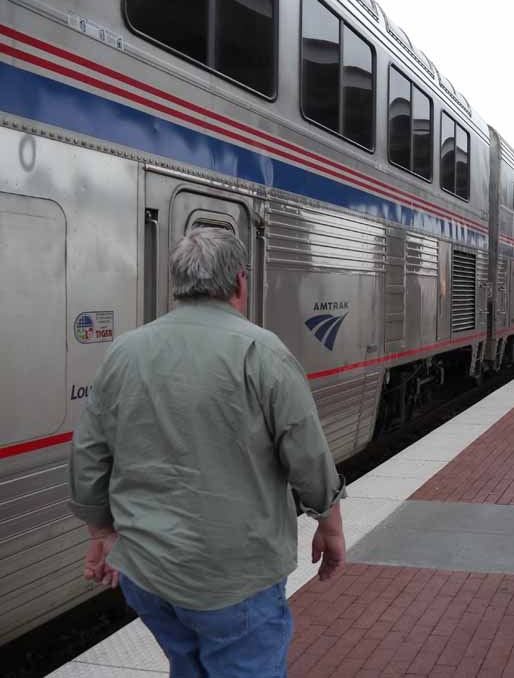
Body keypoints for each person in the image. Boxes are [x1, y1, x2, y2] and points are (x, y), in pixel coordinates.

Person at [68, 228, 348, 678]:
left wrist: (100, 532)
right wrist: (329, 526)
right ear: (240, 283)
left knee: (187, 665)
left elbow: (88, 453)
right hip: (235, 579)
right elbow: (308, 455)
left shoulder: (125, 351)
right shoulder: (263, 353)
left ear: (175, 285)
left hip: (147, 574)